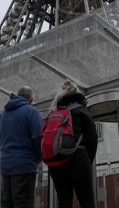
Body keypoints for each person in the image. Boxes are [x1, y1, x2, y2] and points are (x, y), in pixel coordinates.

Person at [46, 79, 98, 208]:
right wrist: (88, 159)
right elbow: (92, 137)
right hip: (78, 157)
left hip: (55, 160)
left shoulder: (53, 112)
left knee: (63, 201)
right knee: (86, 201)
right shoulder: (82, 110)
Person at [0, 86, 43, 208]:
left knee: (7, 204)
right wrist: (38, 158)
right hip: (25, 166)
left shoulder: (2, 115)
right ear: (31, 99)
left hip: (6, 167)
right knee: (23, 203)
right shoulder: (31, 111)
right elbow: (38, 138)